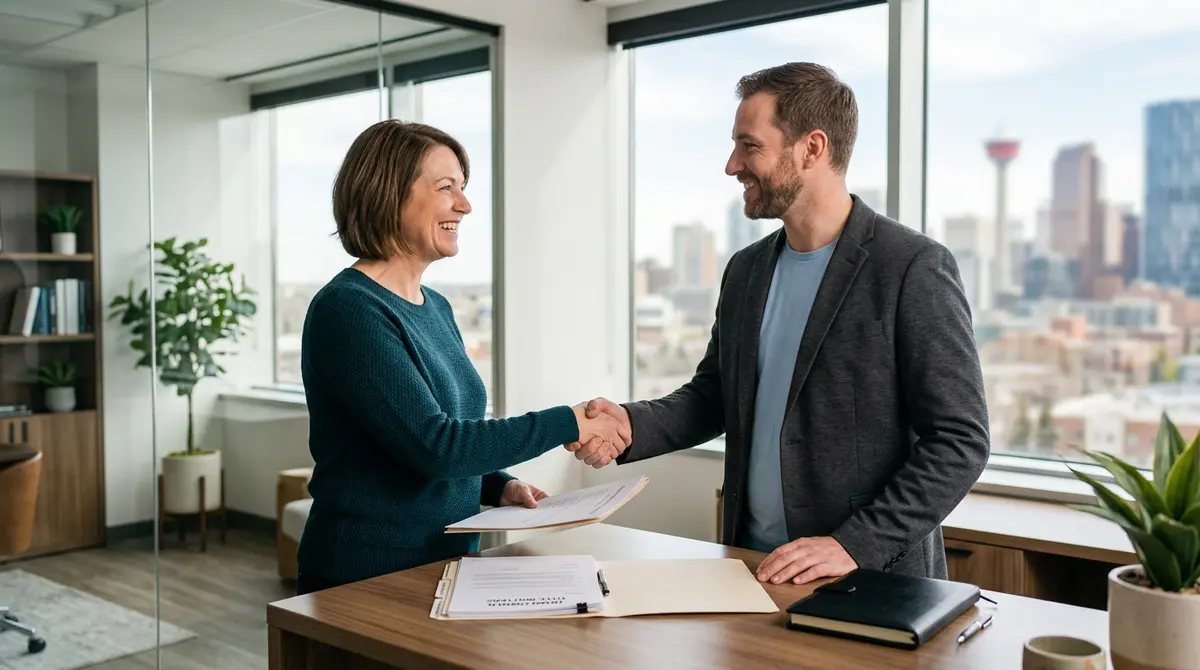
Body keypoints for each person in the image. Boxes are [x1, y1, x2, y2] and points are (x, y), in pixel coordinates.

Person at [570, 63, 989, 585]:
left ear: (812, 148)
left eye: (750, 146)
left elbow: (959, 439)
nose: (731, 165)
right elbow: (715, 396)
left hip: (869, 576)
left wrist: (853, 544)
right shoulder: (746, 270)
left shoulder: (912, 266)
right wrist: (628, 425)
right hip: (753, 569)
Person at [296, 120, 629, 595]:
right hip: (364, 577)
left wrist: (496, 486)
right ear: (389, 193)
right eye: (446, 187)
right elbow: (437, 446)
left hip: (446, 566)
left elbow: (415, 441)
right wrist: (570, 422)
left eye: (463, 188)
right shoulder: (349, 309)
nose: (465, 205)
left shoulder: (436, 306)